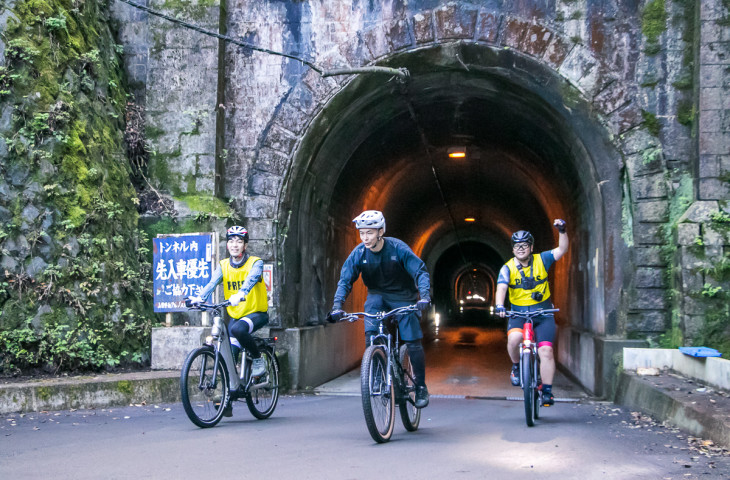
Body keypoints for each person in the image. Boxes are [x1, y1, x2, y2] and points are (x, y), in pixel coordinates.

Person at [329, 210, 432, 408]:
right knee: (371, 328)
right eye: (362, 233)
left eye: (369, 232)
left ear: (380, 231)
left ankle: (420, 386)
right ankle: (376, 373)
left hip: (403, 296)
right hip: (377, 296)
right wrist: (337, 306)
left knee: (412, 340)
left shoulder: (397, 248)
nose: (365, 238)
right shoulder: (359, 253)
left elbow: (420, 271)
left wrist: (424, 296)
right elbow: (345, 279)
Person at [494, 219, 568, 406]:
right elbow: (501, 288)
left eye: (524, 245)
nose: (521, 249)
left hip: (543, 314)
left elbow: (562, 250)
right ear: (512, 249)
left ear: (531, 247)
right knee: (513, 340)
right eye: (517, 246)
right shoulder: (507, 268)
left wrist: (562, 231)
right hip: (518, 314)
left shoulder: (542, 259)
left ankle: (547, 391)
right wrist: (500, 306)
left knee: (546, 350)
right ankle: (517, 367)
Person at [189, 225, 269, 381]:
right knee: (229, 358)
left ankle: (258, 359)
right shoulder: (224, 265)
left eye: (239, 241)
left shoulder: (255, 263)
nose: (235, 245)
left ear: (245, 245)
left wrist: (241, 294)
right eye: (231, 241)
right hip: (236, 315)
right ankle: (228, 394)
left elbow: (251, 279)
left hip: (256, 313)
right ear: (227, 245)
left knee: (238, 329)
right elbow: (212, 283)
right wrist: (200, 298)